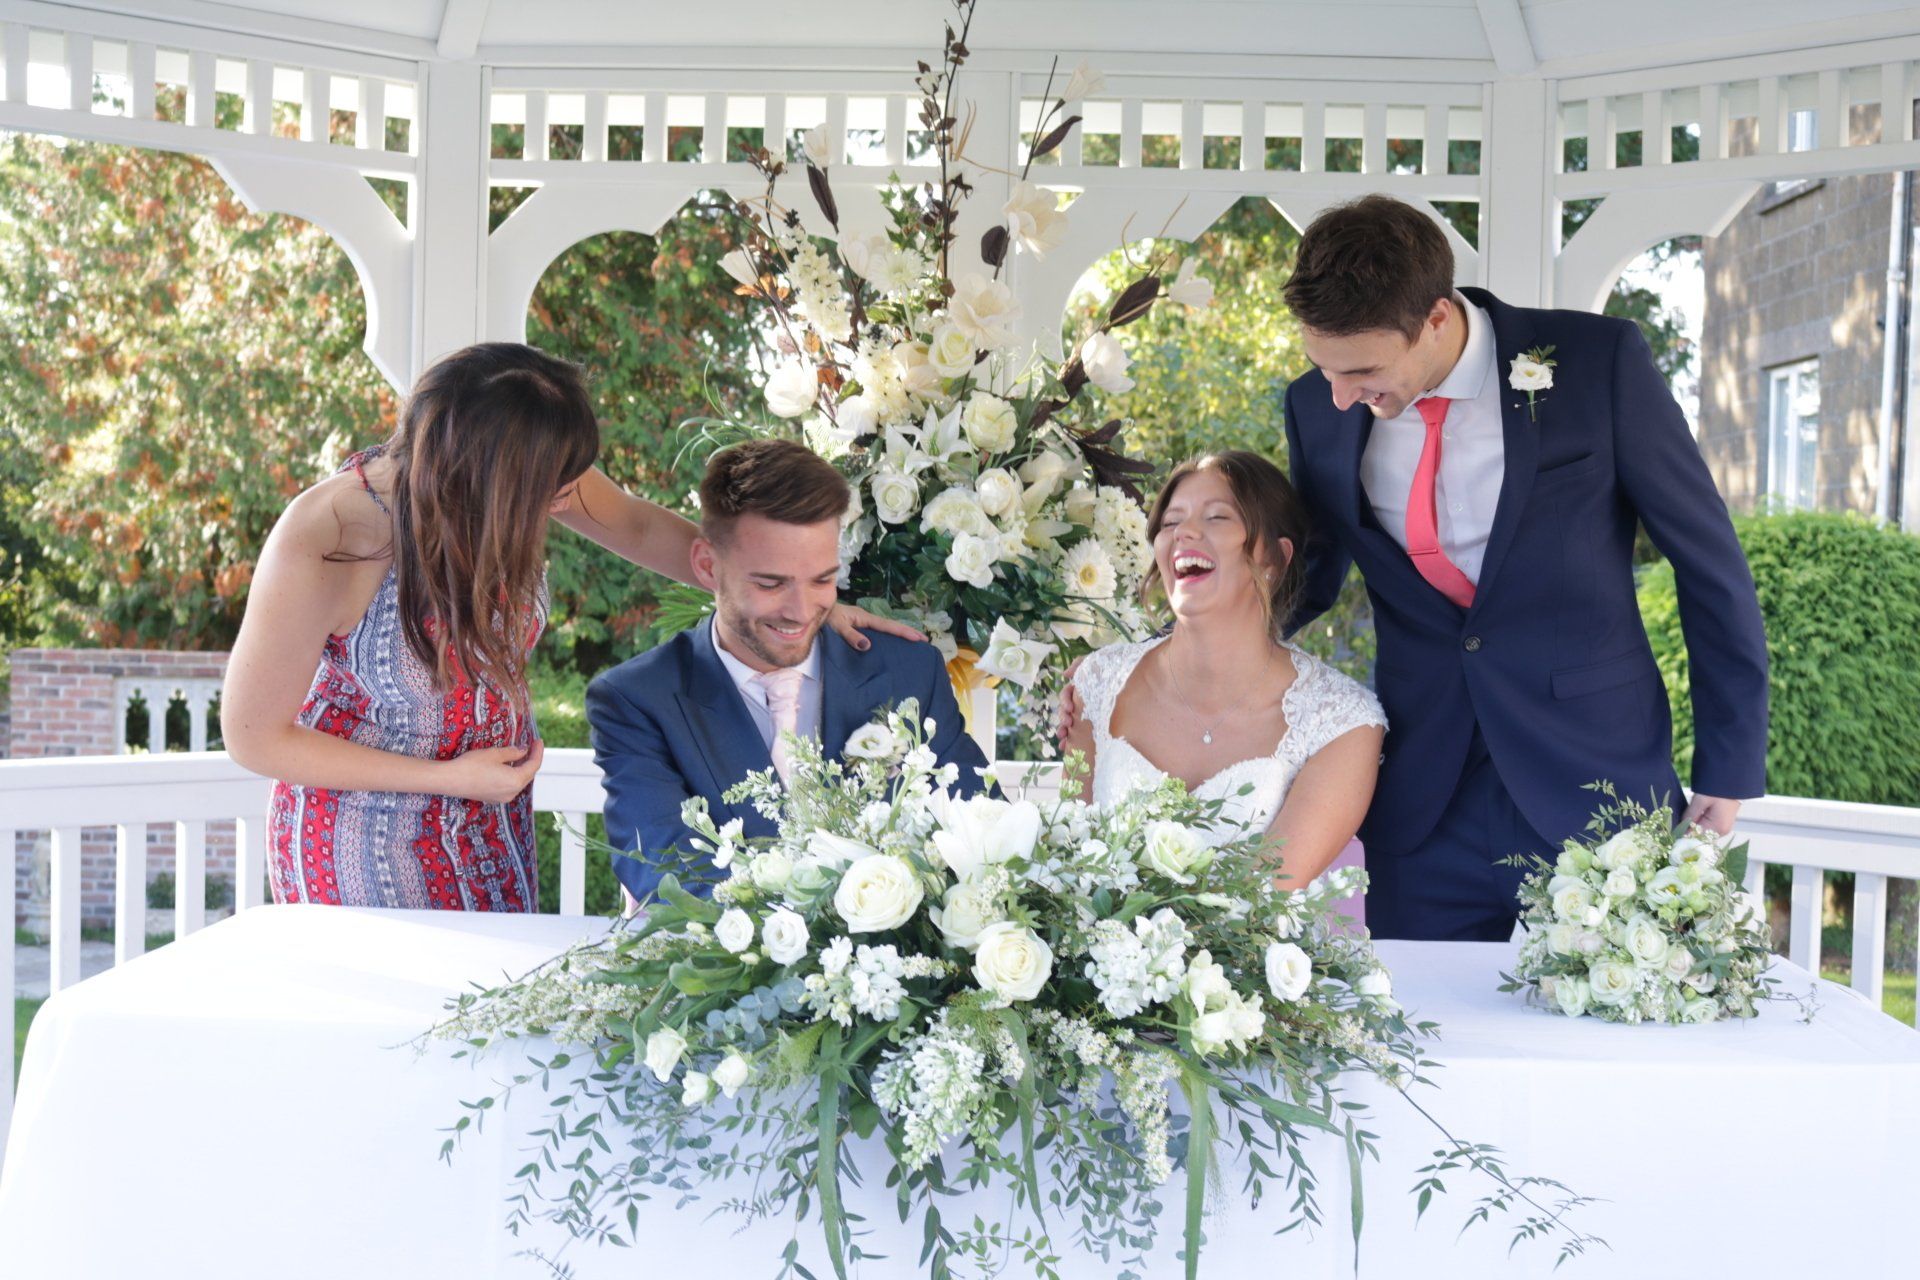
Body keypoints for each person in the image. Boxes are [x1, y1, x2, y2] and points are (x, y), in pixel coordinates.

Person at [222, 342, 916, 910]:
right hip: (361, 846)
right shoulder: (331, 533)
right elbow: (254, 736)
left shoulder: (520, 472)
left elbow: (642, 526)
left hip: (489, 820)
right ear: (485, 474)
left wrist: (792, 598)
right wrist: (451, 780)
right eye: (549, 491)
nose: (565, 500)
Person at [1278, 194, 1768, 941]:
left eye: (1365, 371)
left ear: (1437, 317)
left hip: (1595, 786)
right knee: (1421, 1048)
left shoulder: (1598, 363)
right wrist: (1156, 663)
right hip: (1422, 805)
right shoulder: (1318, 407)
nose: (1342, 396)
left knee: (1608, 1052)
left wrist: (1727, 768)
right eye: (1325, 368)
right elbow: (1305, 581)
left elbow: (1710, 564)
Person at [587, 439, 989, 902]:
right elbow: (673, 887)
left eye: (822, 579)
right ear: (705, 565)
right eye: (771, 583)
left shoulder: (910, 673)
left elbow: (981, 832)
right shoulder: (637, 700)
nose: (800, 611)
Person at [1064, 452, 1386, 888]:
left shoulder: (1343, 722)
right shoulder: (1097, 684)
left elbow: (1267, 895)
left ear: (1274, 558)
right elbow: (1070, 865)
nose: (1185, 533)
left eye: (1217, 517)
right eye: (1170, 521)